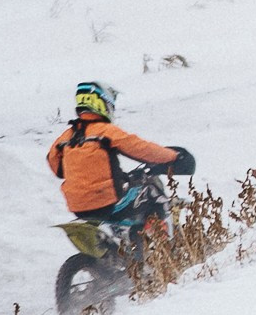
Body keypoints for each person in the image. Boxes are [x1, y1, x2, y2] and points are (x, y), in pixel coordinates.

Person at [46, 82, 182, 221]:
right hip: (105, 201)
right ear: (102, 104)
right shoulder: (105, 131)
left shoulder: (67, 136)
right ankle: (168, 237)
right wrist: (174, 156)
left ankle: (126, 231)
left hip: (77, 206)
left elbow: (56, 166)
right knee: (151, 189)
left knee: (130, 187)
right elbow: (141, 149)